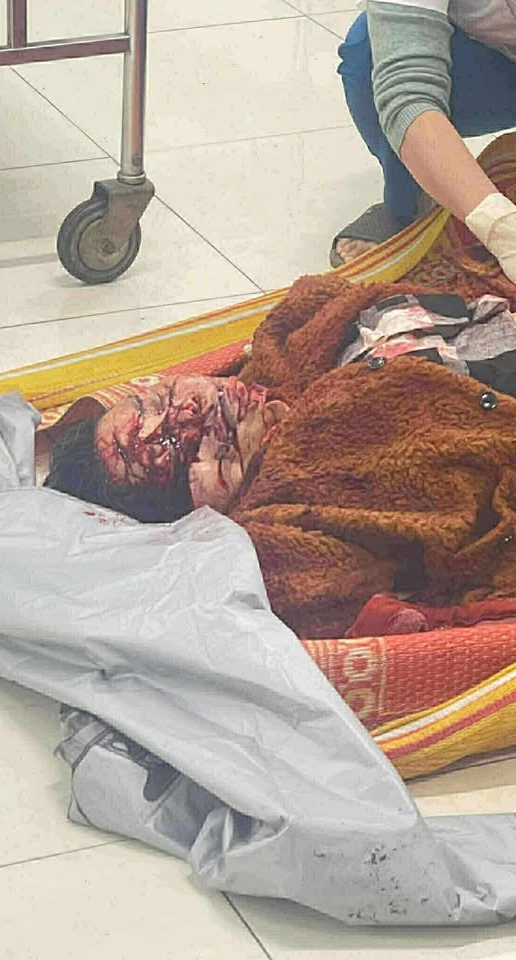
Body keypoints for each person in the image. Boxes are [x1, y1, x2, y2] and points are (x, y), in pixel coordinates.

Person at [46, 274, 516, 639]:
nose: (191, 407)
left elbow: (333, 299)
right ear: (199, 516)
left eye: (158, 400)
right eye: (179, 448)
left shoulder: (288, 350)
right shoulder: (281, 517)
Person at [332, 0, 516, 282]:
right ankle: (408, 205)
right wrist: (497, 226)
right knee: (369, 54)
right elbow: (408, 91)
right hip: (495, 64)